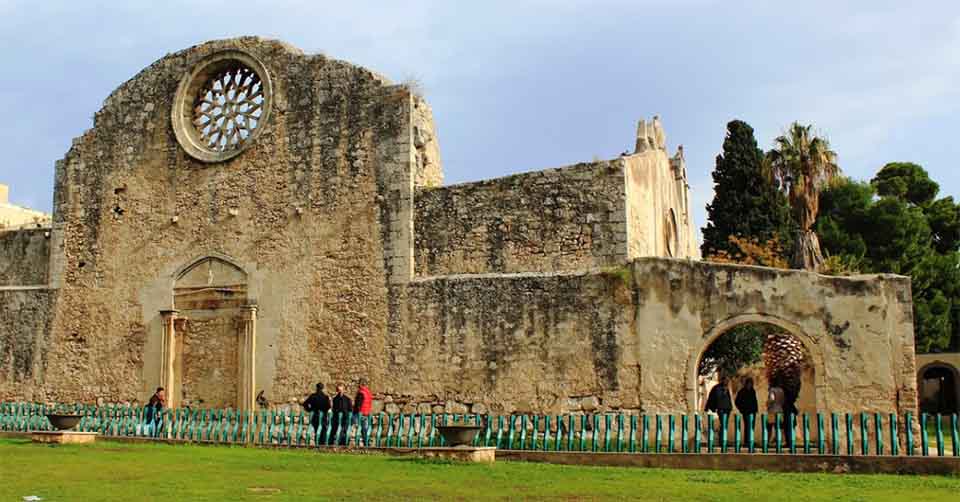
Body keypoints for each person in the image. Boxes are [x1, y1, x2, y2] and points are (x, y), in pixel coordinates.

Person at [735, 378, 759, 444]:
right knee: (747, 425)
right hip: (746, 411)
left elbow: (755, 400)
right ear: (746, 384)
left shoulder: (752, 391)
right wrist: (741, 409)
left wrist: (756, 409)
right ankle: (747, 441)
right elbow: (737, 401)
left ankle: (751, 440)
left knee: (752, 426)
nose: (750, 385)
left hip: (752, 411)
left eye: (751, 383)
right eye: (749, 383)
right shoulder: (742, 391)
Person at [353, 378, 373, 446]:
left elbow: (358, 404)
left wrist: (355, 412)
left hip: (360, 413)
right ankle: (366, 442)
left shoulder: (361, 393)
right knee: (365, 429)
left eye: (358, 384)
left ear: (360, 384)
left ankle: (356, 442)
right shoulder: (368, 393)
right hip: (366, 413)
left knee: (354, 427)